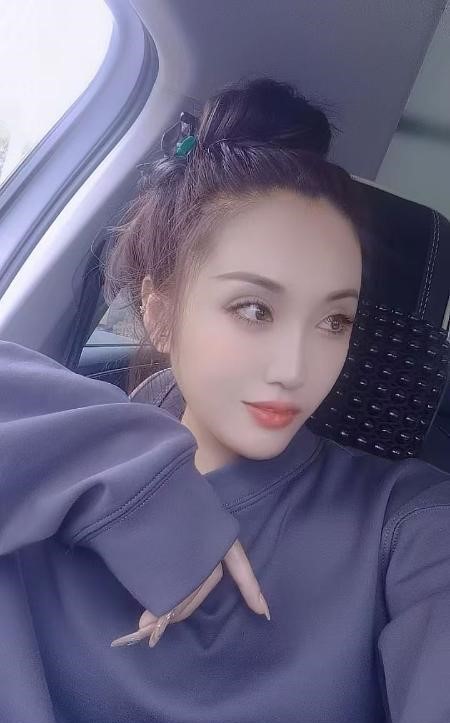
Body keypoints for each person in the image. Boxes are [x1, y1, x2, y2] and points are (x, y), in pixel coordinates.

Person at [1, 77, 449, 723]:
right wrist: (131, 482)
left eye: (335, 321)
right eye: (254, 309)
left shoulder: (405, 521)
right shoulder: (51, 459)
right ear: (159, 312)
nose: (295, 370)